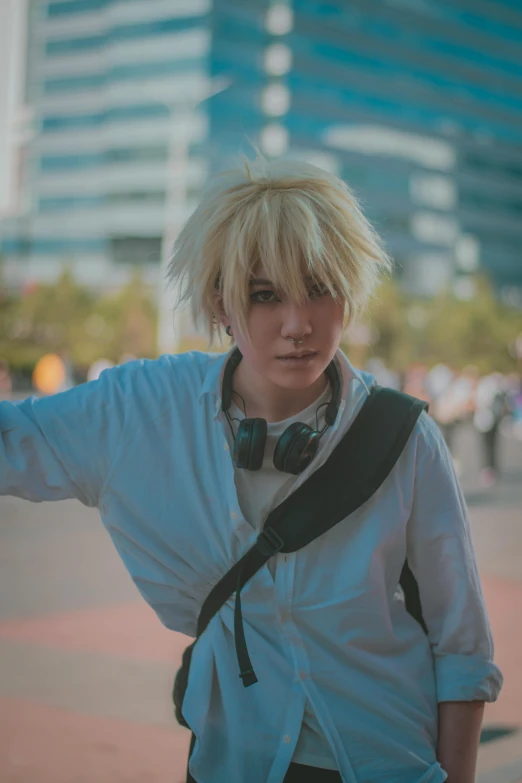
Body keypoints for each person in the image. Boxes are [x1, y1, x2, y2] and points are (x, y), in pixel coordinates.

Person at [0, 158, 502, 783]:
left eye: (321, 288)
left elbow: (461, 644)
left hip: (387, 760)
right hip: (231, 762)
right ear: (222, 307)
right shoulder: (141, 411)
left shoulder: (404, 436)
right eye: (265, 295)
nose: (299, 325)